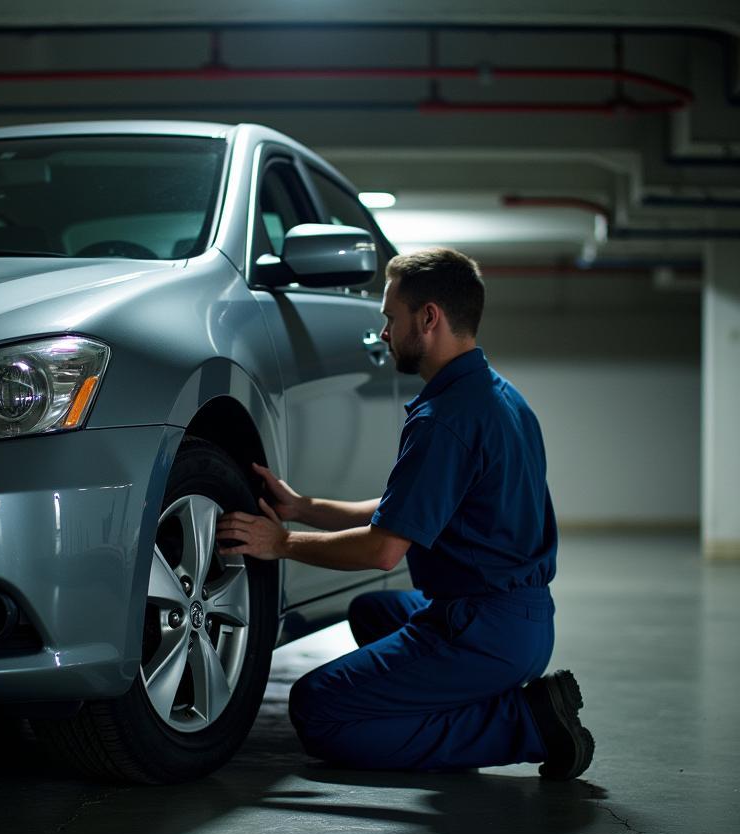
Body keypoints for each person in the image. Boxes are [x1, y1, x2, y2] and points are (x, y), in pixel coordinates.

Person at [216, 248, 594, 779]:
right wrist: (304, 508)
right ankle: (454, 697)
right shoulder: (501, 397)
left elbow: (383, 549)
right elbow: (405, 509)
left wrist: (279, 543)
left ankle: (526, 723)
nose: (384, 334)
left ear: (429, 318)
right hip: (519, 619)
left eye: (390, 318)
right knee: (372, 612)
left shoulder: (445, 419)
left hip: (486, 633)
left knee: (318, 710)